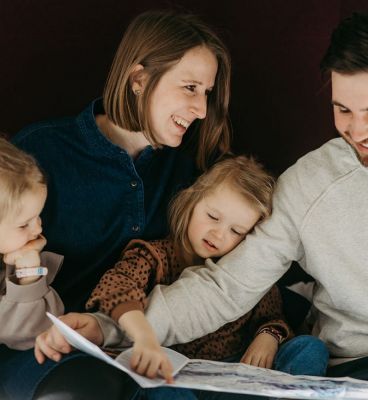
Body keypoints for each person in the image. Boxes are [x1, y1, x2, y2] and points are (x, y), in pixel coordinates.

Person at [44, 6, 368, 396]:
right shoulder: (309, 186)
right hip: (361, 368)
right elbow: (226, 287)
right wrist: (111, 327)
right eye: (342, 110)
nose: (358, 130)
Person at [1, 10, 231, 400]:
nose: (202, 110)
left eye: (206, 93)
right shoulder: (43, 151)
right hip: (42, 346)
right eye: (190, 88)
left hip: (143, 342)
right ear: (139, 79)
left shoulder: (191, 167)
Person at [36, 157, 328, 400]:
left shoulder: (244, 271)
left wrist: (269, 336)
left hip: (232, 375)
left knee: (310, 349)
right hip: (171, 374)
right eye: (213, 216)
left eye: (237, 231)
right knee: (164, 392)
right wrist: (141, 335)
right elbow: (119, 287)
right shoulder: (154, 256)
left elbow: (273, 315)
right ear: (191, 200)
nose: (219, 234)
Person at [0, 138, 64, 350]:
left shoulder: (14, 253)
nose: (37, 230)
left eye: (38, 216)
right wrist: (27, 270)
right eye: (23, 225)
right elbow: (20, 336)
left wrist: (28, 271)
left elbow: (45, 329)